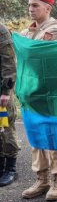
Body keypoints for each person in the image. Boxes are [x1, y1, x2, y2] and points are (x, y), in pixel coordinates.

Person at [20, 0, 57, 201]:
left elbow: (37, 54)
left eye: (36, 5)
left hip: (50, 92)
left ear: (48, 8)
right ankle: (42, 178)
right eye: (29, 5)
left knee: (52, 135)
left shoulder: (54, 30)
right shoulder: (28, 32)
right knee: (35, 134)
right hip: (31, 90)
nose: (31, 9)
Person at [0, 23, 19, 187]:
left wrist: (6, 91)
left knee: (5, 126)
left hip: (1, 89)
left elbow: (9, 62)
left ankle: (11, 168)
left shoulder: (1, 30)